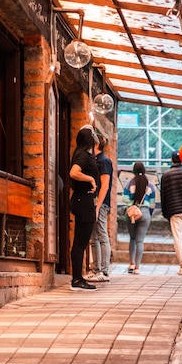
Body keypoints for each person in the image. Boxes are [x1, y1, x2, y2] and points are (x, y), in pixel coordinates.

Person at [68, 125, 100, 291]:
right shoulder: (82, 155)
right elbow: (73, 173)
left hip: (82, 200)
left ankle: (77, 278)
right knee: (81, 242)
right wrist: (91, 179)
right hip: (83, 201)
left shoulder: (82, 153)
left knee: (80, 241)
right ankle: (77, 279)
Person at [85, 134, 113, 283]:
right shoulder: (94, 160)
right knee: (93, 237)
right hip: (93, 201)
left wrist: (98, 206)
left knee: (101, 235)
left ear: (96, 144)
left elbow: (105, 186)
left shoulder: (104, 161)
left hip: (100, 203)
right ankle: (95, 270)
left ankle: (104, 270)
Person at [122, 162, 156, 275]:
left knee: (132, 239)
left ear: (133, 171)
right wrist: (148, 214)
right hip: (145, 213)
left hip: (131, 213)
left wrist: (132, 204)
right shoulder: (150, 185)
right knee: (140, 240)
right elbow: (152, 204)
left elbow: (124, 199)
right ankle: (137, 267)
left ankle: (131, 263)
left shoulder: (129, 184)